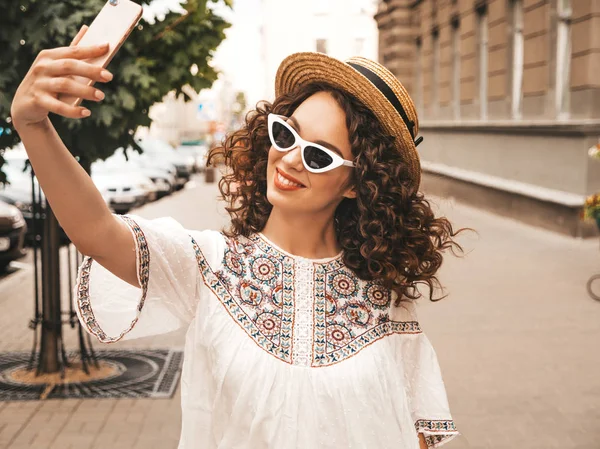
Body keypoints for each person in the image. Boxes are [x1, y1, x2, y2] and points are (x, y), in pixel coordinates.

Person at [11, 26, 467, 449]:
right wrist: (33, 126)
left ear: (356, 183)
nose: (290, 159)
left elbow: (418, 435)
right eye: (286, 134)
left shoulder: (385, 304)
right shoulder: (210, 266)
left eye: (319, 155)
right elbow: (96, 232)